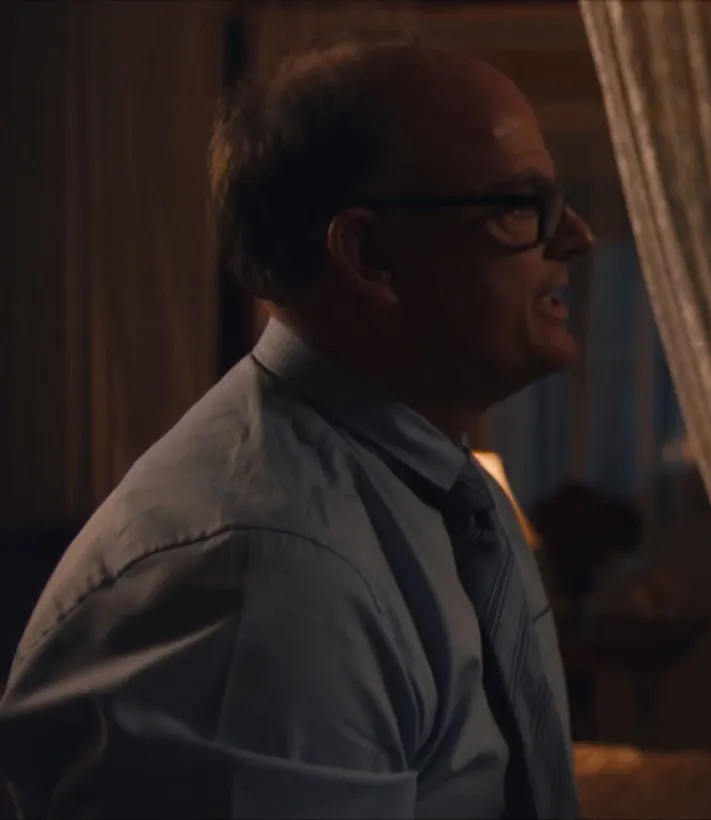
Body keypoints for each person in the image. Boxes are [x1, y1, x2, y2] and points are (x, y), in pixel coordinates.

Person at [0, 38, 595, 818]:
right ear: (370, 255)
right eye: (519, 205)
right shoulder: (268, 581)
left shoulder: (445, 495)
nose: (576, 236)